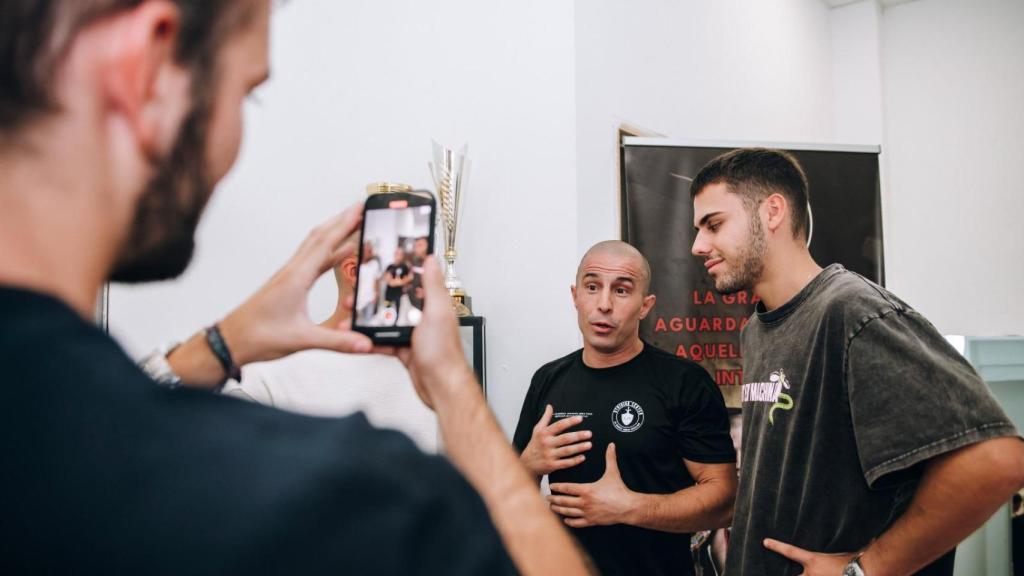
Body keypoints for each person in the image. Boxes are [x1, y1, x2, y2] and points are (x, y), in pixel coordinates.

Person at [0, 2, 590, 574]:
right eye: (245, 92)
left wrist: (225, 343)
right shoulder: (345, 490)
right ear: (146, 69)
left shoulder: (59, 450)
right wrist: (455, 388)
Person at [689, 148, 1024, 576]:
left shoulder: (852, 312)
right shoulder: (757, 329)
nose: (698, 245)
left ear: (772, 212)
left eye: (713, 224)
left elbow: (995, 461)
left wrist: (866, 569)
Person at [513, 240, 738, 576]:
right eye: (592, 287)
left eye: (621, 290)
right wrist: (528, 466)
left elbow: (725, 502)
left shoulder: (684, 382)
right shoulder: (548, 379)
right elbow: (509, 500)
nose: (604, 304)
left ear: (645, 305)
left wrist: (628, 507)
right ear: (575, 295)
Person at [222, 253, 438, 452]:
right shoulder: (266, 371)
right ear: (354, 272)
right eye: (403, 267)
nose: (418, 277)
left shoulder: (434, 374)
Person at [382, 246, 412, 324]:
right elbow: (388, 280)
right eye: (397, 253)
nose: (398, 255)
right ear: (394, 254)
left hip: (399, 296)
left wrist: (399, 282)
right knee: (387, 313)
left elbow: (408, 280)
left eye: (400, 254)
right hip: (388, 295)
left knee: (398, 315)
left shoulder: (404, 267)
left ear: (402, 255)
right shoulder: (390, 267)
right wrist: (398, 282)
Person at [355, 241, 382, 325]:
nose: (369, 253)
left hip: (370, 298)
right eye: (367, 250)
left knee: (368, 321)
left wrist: (377, 294)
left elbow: (377, 280)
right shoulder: (356, 264)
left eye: (370, 250)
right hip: (358, 299)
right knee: (358, 322)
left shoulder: (375, 264)